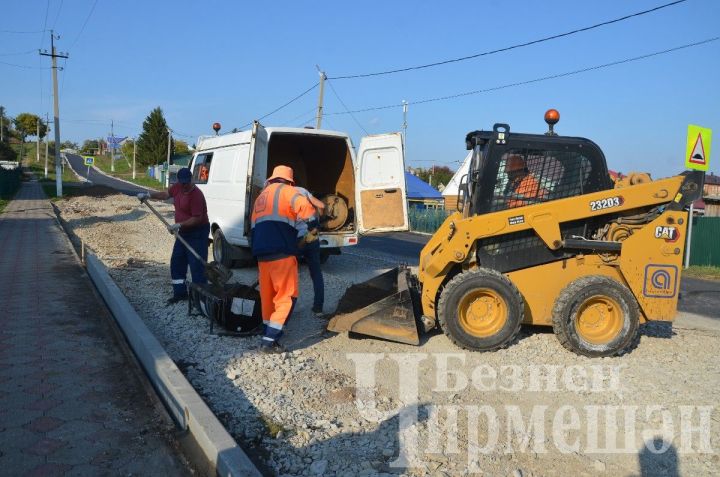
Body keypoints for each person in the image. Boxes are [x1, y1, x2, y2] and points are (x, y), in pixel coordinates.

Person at [251, 165, 317, 353]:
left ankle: (266, 331)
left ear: (272, 179)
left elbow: (253, 226)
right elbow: (307, 209)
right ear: (289, 180)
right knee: (287, 296)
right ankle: (269, 341)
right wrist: (314, 227)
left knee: (268, 296)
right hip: (282, 252)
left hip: (262, 254)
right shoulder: (289, 191)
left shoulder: (261, 196)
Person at [137, 167, 210, 305]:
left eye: (186, 183)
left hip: (198, 232)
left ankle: (200, 300)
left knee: (197, 265)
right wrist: (148, 195)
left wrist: (179, 225)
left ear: (191, 180)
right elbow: (165, 195)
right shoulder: (177, 187)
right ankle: (180, 293)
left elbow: (197, 219)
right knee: (177, 261)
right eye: (182, 183)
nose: (184, 186)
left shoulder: (196, 195)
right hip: (183, 232)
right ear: (178, 181)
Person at [294, 186, 326, 316]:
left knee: (291, 275)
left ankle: (290, 307)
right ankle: (318, 309)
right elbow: (322, 205)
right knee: (316, 273)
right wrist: (318, 217)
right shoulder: (303, 190)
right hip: (312, 236)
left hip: (297, 239)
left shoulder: (285, 194)